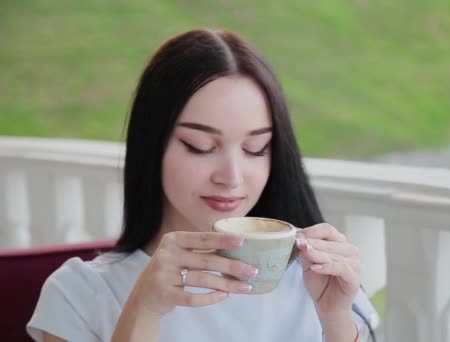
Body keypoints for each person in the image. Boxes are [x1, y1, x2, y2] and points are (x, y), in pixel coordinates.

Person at [26, 28, 378, 342]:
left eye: (256, 148)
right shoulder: (79, 293)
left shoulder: (318, 277)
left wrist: (336, 320)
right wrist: (144, 310)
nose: (232, 176)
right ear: (153, 144)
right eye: (200, 146)